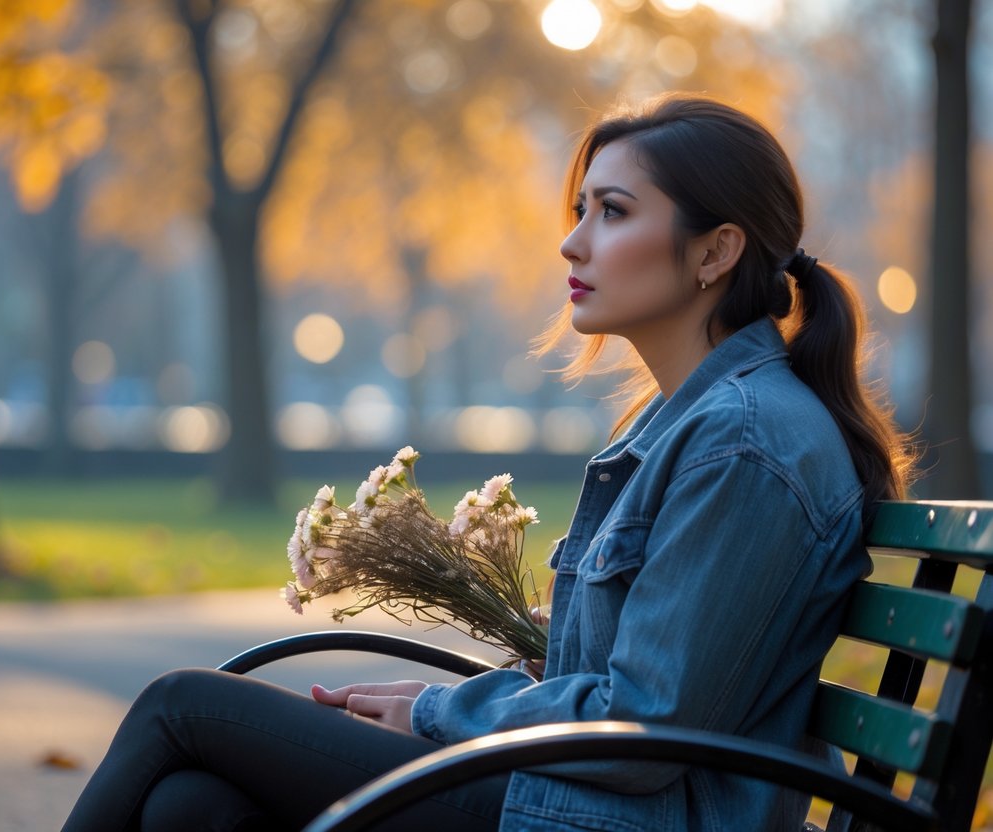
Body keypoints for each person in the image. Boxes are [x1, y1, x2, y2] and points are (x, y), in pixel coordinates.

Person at [61, 93, 915, 832]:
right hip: (589, 798)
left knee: (184, 705)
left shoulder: (743, 442)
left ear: (713, 252)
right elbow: (632, 681)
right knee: (188, 808)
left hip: (627, 816)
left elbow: (643, 724)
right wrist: (472, 704)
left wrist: (444, 714)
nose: (571, 244)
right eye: (579, 210)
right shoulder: (689, 422)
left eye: (612, 212)